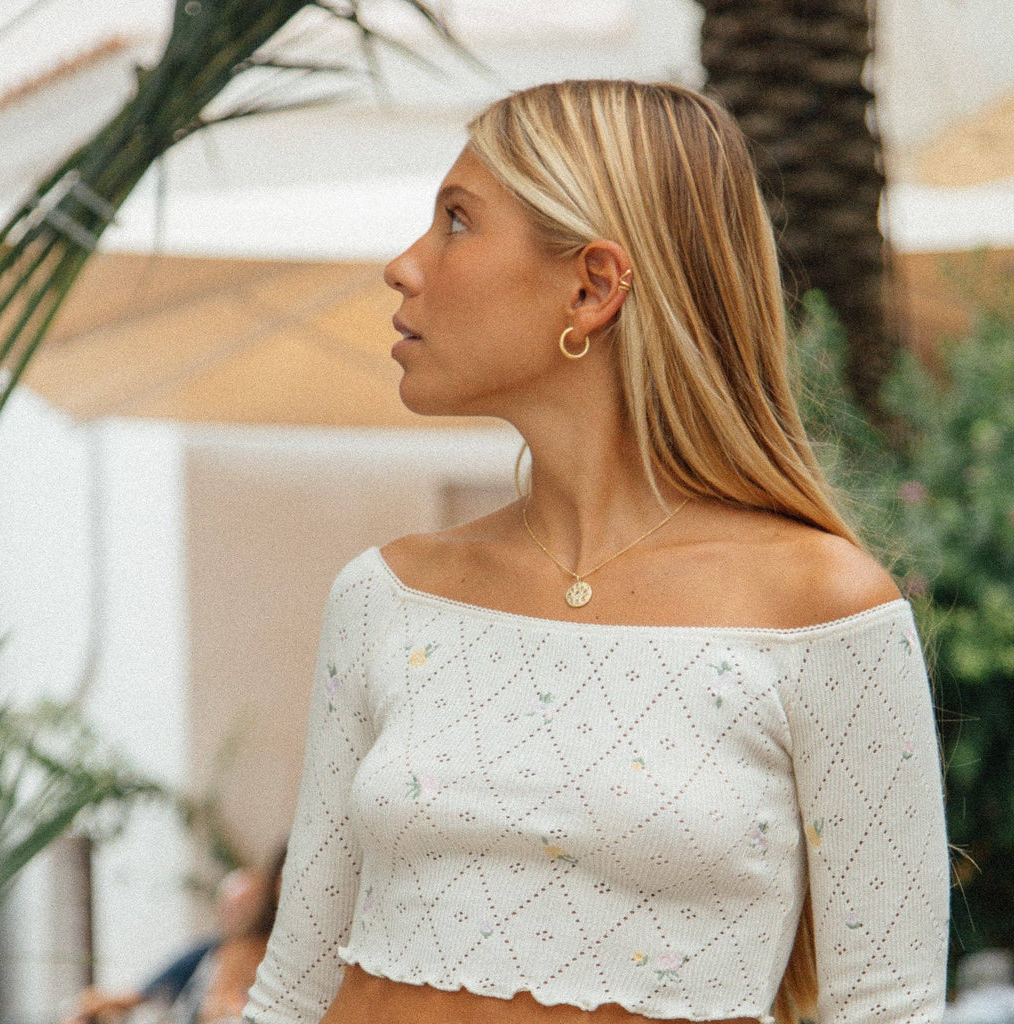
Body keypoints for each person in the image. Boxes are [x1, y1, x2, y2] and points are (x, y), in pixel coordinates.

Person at [241, 78, 950, 1024]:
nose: (404, 267)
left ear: (592, 286)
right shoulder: (389, 596)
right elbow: (294, 989)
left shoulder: (820, 611)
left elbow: (888, 1009)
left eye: (456, 221)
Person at [65, 844, 285, 1024]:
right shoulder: (205, 954)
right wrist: (89, 1004)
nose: (237, 915)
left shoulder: (273, 958)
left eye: (247, 906)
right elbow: (138, 994)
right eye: (231, 906)